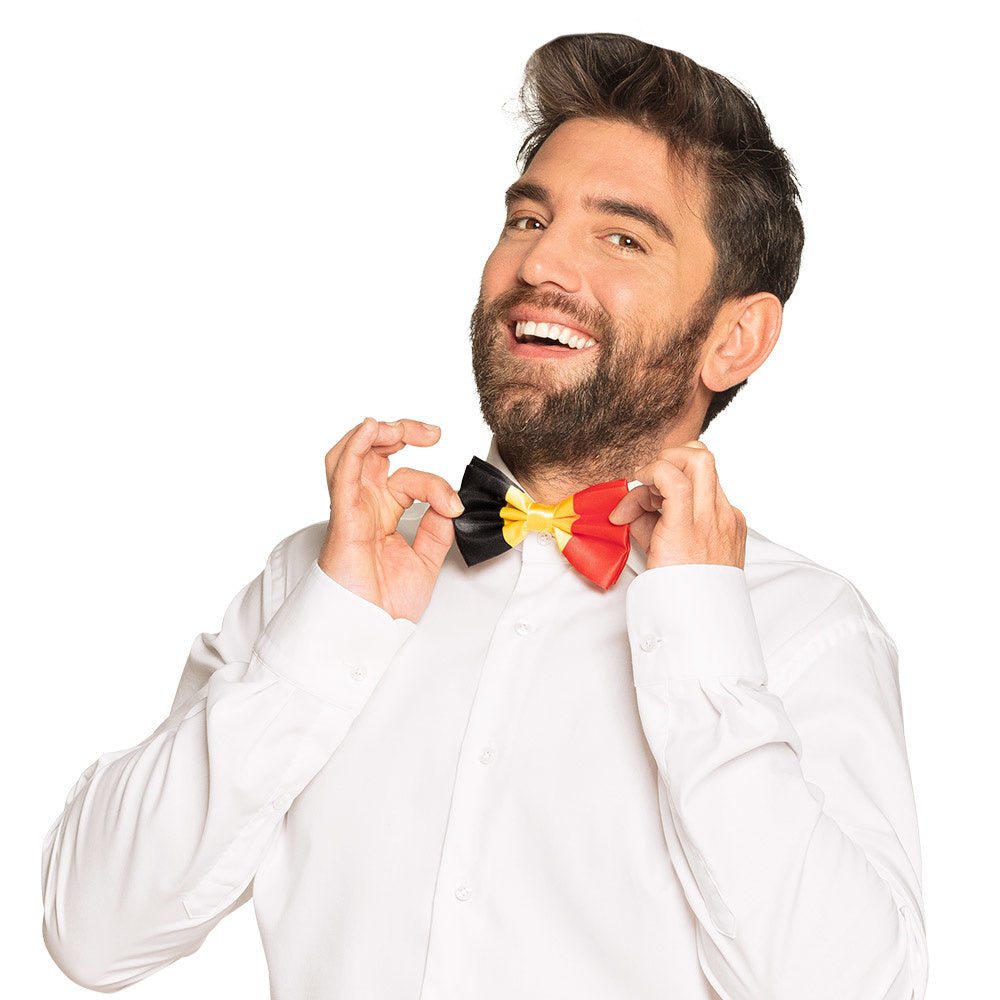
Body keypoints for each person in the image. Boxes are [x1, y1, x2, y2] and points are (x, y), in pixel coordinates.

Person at [41, 32, 928, 999]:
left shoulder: (803, 629)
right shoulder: (324, 575)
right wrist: (329, 630)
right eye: (527, 219)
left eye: (622, 238)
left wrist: (705, 643)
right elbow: (92, 932)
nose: (540, 263)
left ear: (736, 337)